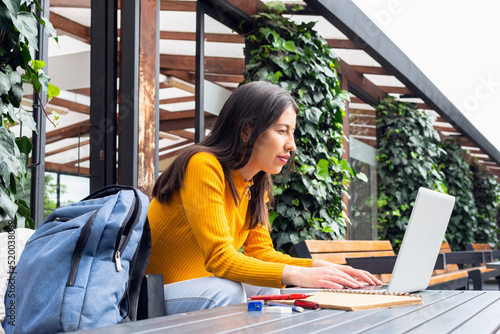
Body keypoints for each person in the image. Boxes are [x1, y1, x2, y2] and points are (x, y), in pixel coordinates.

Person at [146, 81, 381, 315]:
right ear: (247, 131)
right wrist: (298, 274)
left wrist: (318, 267)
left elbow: (262, 254)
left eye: (292, 133)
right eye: (282, 131)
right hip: (151, 296)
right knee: (225, 291)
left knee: (265, 283)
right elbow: (220, 259)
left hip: (196, 289)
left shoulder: (255, 184)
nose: (292, 145)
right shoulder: (203, 165)